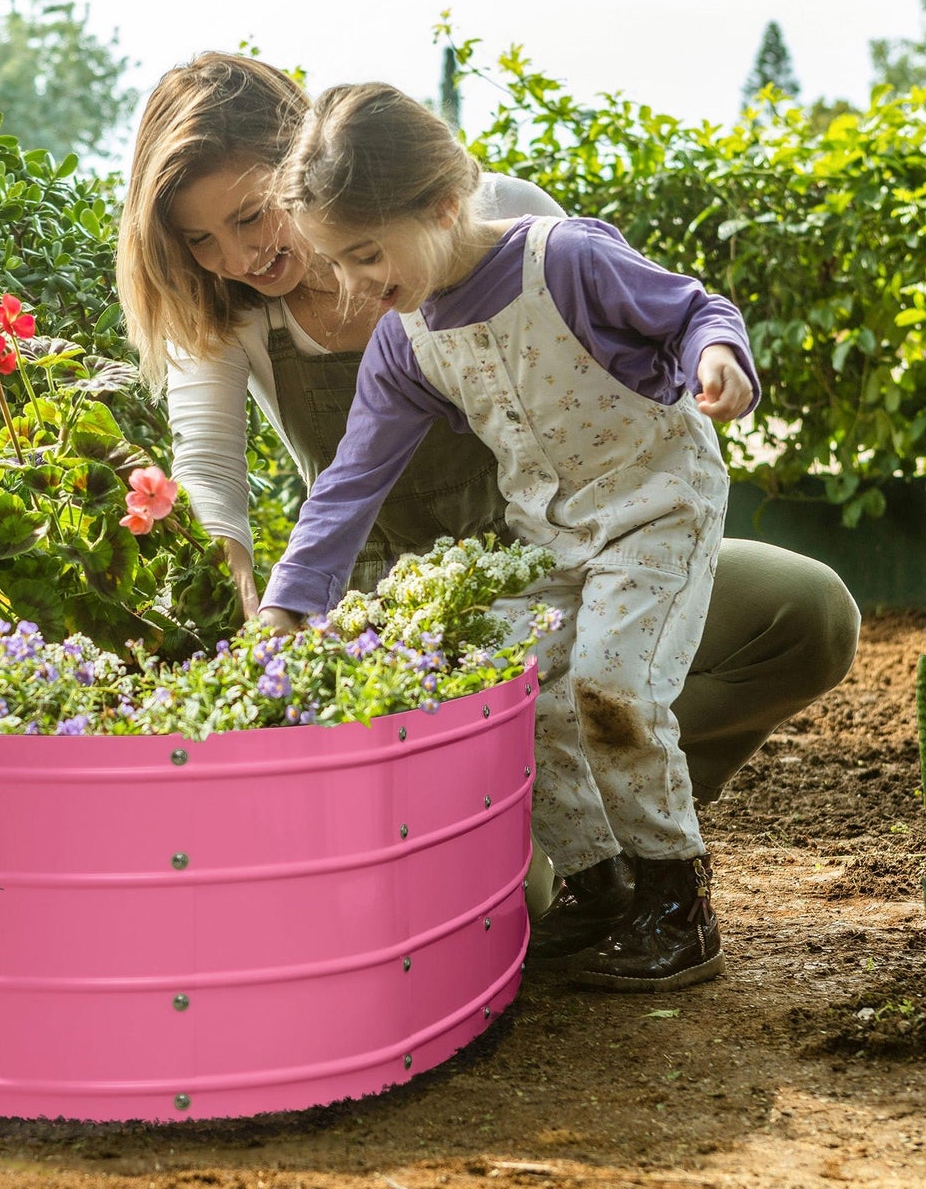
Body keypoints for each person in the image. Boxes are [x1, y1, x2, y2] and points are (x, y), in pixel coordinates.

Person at [115, 50, 861, 967]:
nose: (240, 257)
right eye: (201, 242)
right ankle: (581, 857)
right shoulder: (266, 319)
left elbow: (662, 318)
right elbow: (267, 481)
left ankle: (654, 857)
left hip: (586, 547)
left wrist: (712, 364)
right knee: (529, 873)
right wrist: (268, 618)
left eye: (252, 215)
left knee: (787, 620)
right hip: (426, 602)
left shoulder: (512, 227)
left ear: (309, 166)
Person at [255, 80, 764, 990]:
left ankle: (677, 901)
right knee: (511, 686)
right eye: (338, 263)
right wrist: (291, 602)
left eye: (367, 253)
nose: (356, 285)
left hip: (657, 506)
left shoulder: (562, 260)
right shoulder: (406, 341)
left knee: (610, 688)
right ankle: (600, 886)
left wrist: (717, 359)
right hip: (552, 538)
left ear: (445, 203)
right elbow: (351, 481)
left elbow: (693, 312)